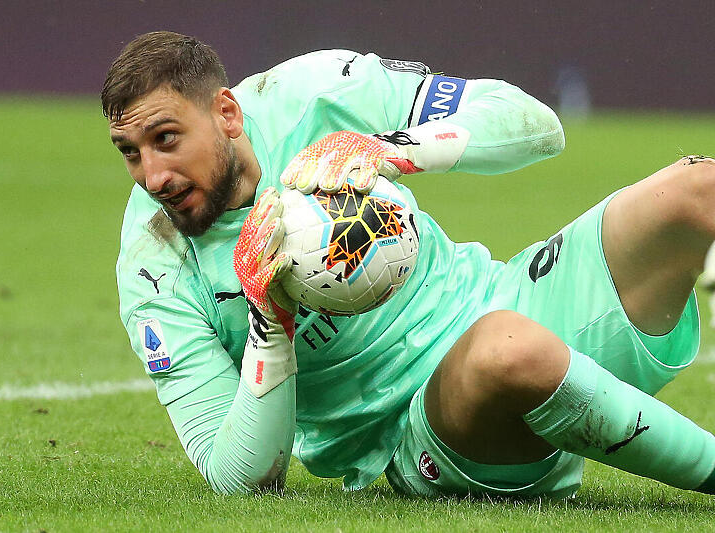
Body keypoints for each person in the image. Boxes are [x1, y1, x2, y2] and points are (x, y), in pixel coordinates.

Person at [103, 31, 715, 498]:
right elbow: (238, 479)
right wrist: (270, 320)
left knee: (697, 187)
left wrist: (388, 149)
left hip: (508, 299)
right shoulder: (154, 268)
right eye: (130, 153)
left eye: (166, 139)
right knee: (506, 348)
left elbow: (536, 125)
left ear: (228, 113)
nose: (153, 176)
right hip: (423, 432)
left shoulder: (318, 92)